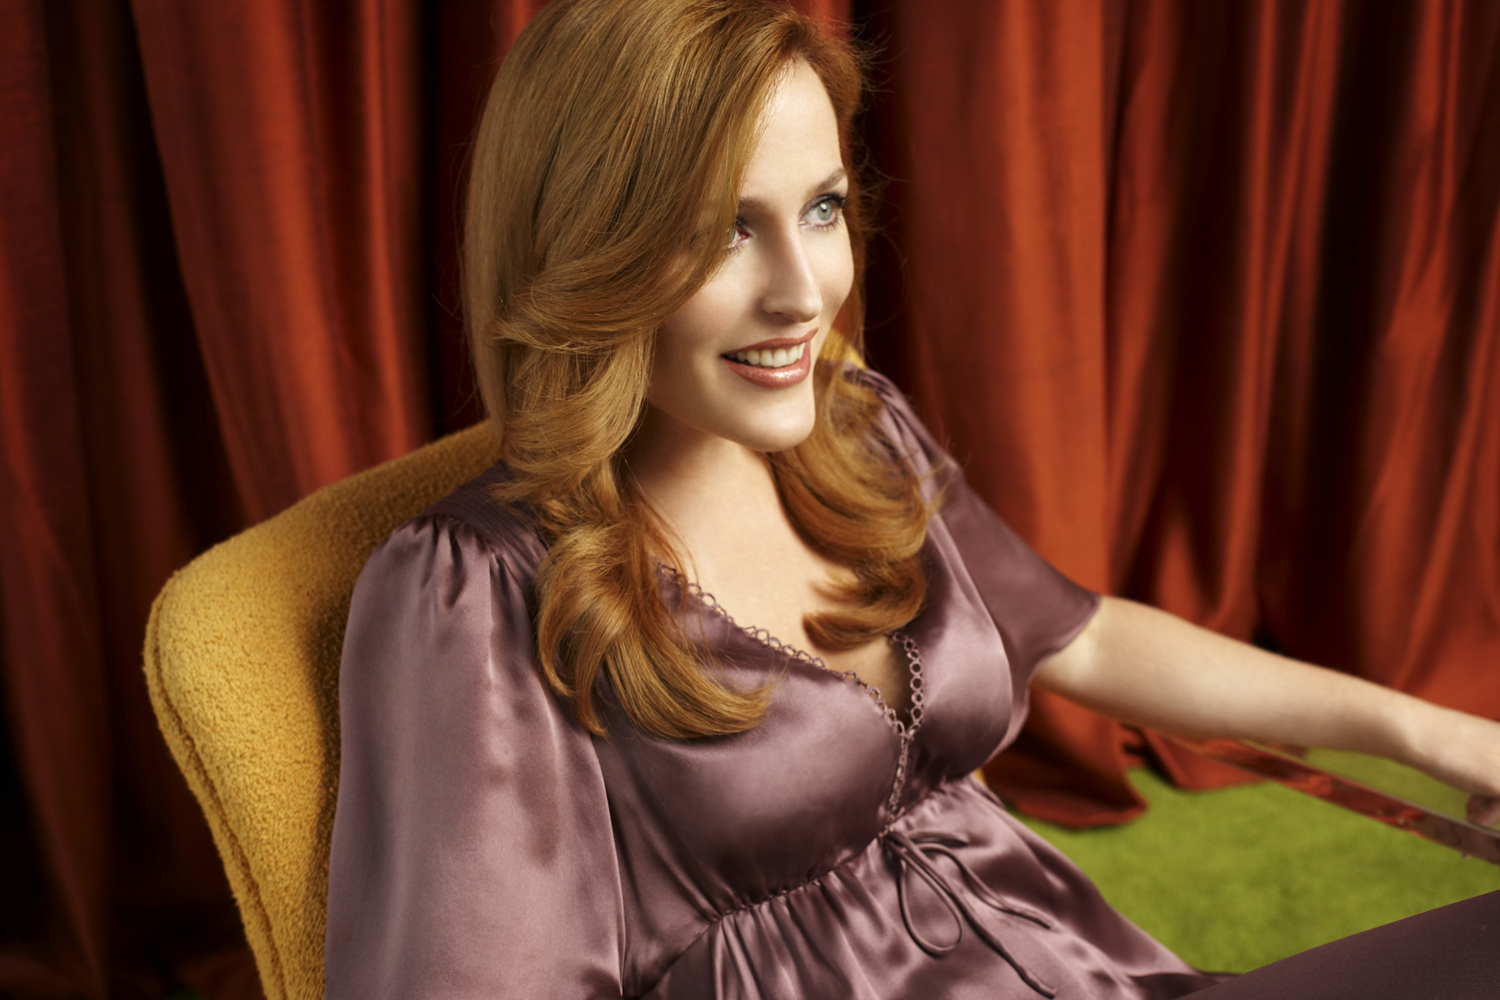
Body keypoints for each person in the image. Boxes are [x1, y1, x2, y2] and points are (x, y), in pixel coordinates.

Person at [322, 1, 1500, 997]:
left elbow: (1079, 634)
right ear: (587, 252)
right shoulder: (469, 593)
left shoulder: (853, 427)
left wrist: (1435, 733)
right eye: (724, 232)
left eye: (822, 208)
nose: (805, 293)